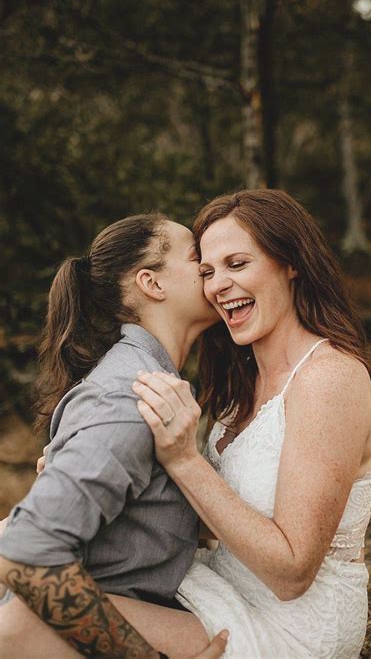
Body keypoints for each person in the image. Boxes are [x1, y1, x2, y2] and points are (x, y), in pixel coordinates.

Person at [132, 189, 371, 658]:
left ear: (291, 263)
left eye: (237, 264)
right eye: (207, 271)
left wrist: (186, 461)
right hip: (226, 588)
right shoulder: (241, 381)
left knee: (31, 615)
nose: (217, 285)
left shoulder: (329, 379)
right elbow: (215, 525)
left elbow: (291, 572)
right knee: (41, 581)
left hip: (294, 628)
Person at [0, 212, 228, 659]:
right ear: (152, 283)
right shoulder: (129, 398)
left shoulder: (153, 384)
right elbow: (26, 552)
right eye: (197, 257)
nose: (210, 267)